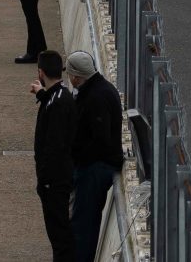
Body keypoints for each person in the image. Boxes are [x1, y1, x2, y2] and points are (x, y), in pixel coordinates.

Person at [66, 51, 125, 262]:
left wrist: (78, 156)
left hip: (95, 169)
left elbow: (100, 139)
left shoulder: (94, 97)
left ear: (75, 76)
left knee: (84, 225)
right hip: (98, 165)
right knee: (84, 222)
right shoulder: (102, 89)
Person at [30, 49, 77, 262]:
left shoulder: (57, 103)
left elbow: (54, 147)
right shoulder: (59, 95)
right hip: (59, 179)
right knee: (60, 234)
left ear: (41, 72)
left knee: (59, 235)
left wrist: (45, 181)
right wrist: (41, 93)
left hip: (55, 182)